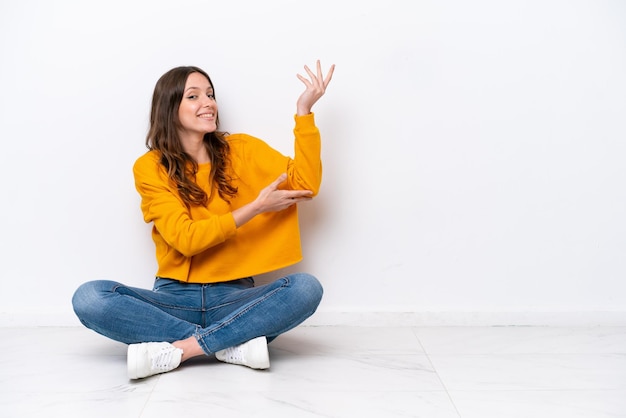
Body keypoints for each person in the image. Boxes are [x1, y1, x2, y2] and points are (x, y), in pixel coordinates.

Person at [72, 60, 335, 379]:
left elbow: (305, 185)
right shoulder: (151, 167)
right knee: (89, 297)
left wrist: (304, 112)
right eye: (193, 96)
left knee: (306, 288)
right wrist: (256, 207)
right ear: (170, 108)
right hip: (173, 297)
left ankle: (184, 349)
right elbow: (187, 239)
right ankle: (232, 342)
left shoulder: (241, 149)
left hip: (235, 297)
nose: (208, 103)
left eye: (210, 94)